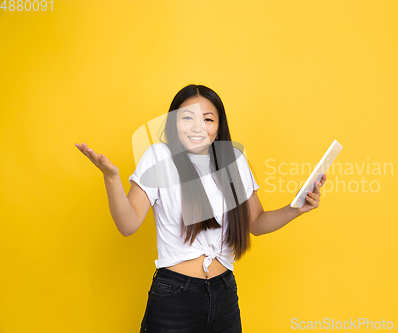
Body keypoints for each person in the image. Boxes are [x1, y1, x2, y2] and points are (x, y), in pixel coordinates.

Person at [75, 84, 327, 333]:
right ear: (174, 124)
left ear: (218, 128)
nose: (198, 127)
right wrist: (111, 177)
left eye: (208, 119)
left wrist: (297, 207)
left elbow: (257, 223)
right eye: (187, 118)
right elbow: (128, 225)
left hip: (224, 294)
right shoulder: (159, 157)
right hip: (174, 298)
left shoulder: (234, 160)